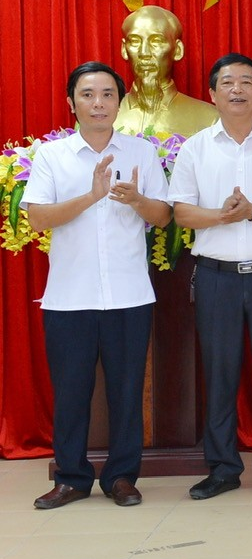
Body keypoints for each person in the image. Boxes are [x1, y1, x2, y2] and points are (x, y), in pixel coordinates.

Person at [25, 62, 171, 509]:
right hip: (70, 297)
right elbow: (37, 217)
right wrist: (92, 196)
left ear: (119, 102)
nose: (98, 103)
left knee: (128, 392)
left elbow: (162, 215)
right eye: (87, 95)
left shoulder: (141, 152)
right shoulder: (52, 156)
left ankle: (122, 477)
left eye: (108, 94)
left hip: (128, 294)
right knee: (71, 391)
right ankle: (71, 477)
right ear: (72, 103)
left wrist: (138, 199)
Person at [169, 53, 252, 500]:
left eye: (246, 82)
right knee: (220, 374)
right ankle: (223, 468)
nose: (237, 89)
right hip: (216, 278)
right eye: (227, 82)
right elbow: (182, 212)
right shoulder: (195, 148)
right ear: (212, 94)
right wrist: (223, 217)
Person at [115, 5, 217, 137]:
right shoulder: (102, 117)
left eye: (156, 41)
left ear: (177, 50)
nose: (144, 53)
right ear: (124, 49)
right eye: (135, 41)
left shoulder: (209, 119)